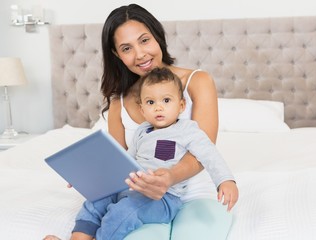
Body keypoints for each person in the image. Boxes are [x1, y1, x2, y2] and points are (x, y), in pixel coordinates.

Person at [44, 3, 237, 240]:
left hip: (192, 194)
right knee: (105, 205)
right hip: (138, 195)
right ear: (117, 54)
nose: (140, 54)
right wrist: (89, 175)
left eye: (144, 40)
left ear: (157, 37)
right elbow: (117, 159)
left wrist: (170, 178)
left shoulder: (197, 81)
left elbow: (203, 150)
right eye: (127, 48)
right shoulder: (120, 101)